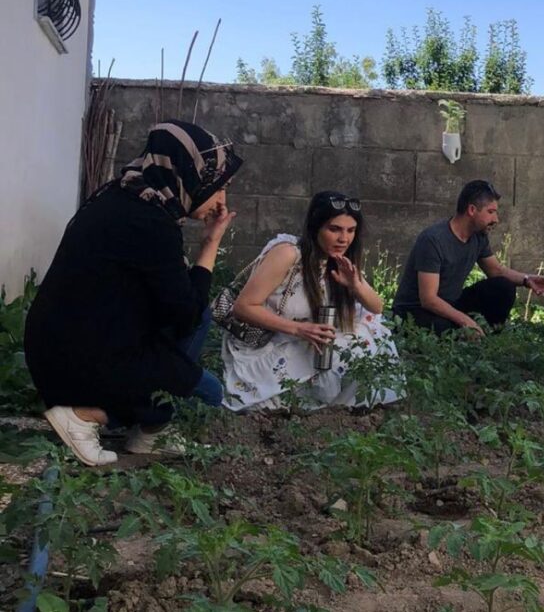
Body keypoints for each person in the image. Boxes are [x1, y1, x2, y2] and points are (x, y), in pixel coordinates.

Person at [25, 120, 242, 466]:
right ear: (188, 174)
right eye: (217, 187)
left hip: (58, 349)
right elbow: (184, 313)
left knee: (190, 336)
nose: (221, 201)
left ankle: (147, 428)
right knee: (211, 393)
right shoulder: (150, 222)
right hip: (77, 360)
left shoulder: (120, 197)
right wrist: (210, 245)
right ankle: (88, 414)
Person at [221, 191, 403, 410]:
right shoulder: (288, 253)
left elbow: (377, 307)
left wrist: (355, 285)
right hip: (270, 340)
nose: (343, 238)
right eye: (334, 229)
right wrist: (299, 329)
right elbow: (243, 307)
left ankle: (345, 408)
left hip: (309, 341)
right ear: (316, 227)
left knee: (371, 332)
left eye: (350, 230)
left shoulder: (339, 260)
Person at [393, 180, 544, 335]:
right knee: (444, 327)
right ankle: (467, 334)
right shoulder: (433, 240)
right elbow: (428, 299)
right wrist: (466, 321)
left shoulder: (478, 237)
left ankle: (488, 337)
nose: (496, 220)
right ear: (471, 210)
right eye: (490, 212)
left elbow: (496, 271)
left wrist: (527, 279)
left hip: (450, 304)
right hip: (415, 311)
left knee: (504, 286)